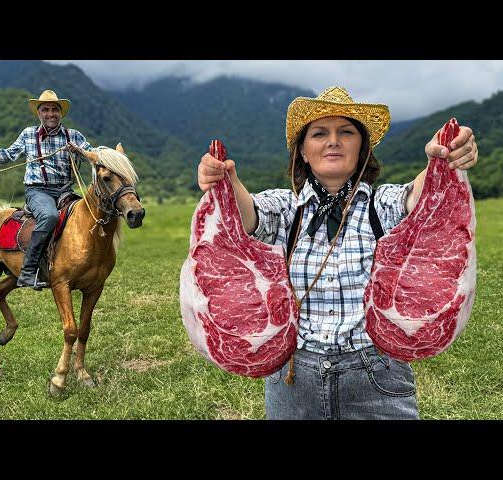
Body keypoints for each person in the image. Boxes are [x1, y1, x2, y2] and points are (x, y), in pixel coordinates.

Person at [196, 86, 478, 420]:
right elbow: (247, 216)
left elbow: (417, 197)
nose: (333, 141)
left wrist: (441, 159)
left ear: (362, 149)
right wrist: (225, 178)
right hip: (293, 379)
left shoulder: (381, 204)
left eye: (346, 132)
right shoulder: (287, 208)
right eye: (319, 133)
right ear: (302, 151)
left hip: (376, 375)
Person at [0, 89, 93, 290]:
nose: (50, 114)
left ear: (61, 113)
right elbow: (7, 154)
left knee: (85, 216)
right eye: (45, 109)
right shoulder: (28, 135)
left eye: (54, 109)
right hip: (38, 191)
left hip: (65, 192)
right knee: (49, 216)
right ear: (39, 113)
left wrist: (88, 152)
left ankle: (79, 265)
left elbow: (93, 155)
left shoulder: (73, 136)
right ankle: (28, 271)